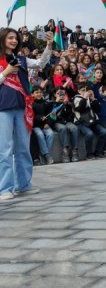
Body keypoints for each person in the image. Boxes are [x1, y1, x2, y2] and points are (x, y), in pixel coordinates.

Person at [0, 28, 53, 201]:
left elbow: (40, 63)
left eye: (16, 38)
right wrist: (6, 72)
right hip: (3, 108)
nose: (14, 41)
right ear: (2, 39)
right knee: (4, 149)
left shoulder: (22, 59)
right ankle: (4, 188)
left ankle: (23, 185)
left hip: (22, 108)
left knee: (23, 148)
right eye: (10, 37)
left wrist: (49, 45)